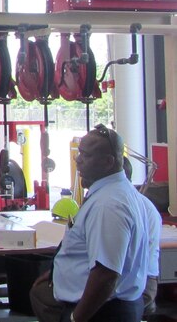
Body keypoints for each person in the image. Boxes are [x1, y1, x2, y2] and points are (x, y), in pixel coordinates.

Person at [30, 124, 149, 322]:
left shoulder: (109, 205)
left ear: (108, 162)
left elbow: (106, 274)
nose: (78, 160)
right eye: (79, 153)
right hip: (102, 307)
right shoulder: (114, 192)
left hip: (101, 312)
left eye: (85, 155)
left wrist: (76, 318)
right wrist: (56, 272)